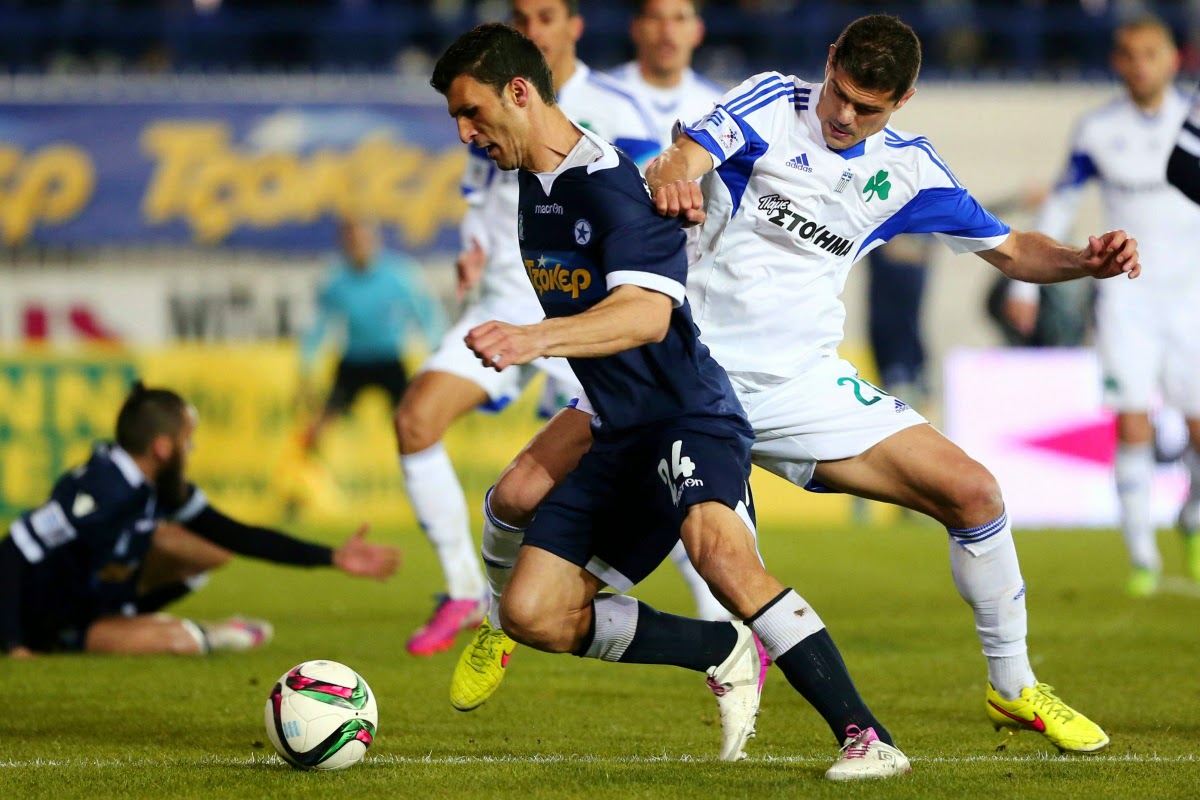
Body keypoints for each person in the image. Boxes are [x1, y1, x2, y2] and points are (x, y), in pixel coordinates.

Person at [454, 14, 1139, 755]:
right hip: (683, 373)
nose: (844, 116)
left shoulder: (910, 172)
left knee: (974, 493)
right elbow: (685, 154)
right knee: (519, 497)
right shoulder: (773, 102)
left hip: (797, 382)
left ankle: (1014, 687)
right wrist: (677, 175)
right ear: (829, 60)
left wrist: (1083, 261)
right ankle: (504, 619)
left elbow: (1011, 249)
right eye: (839, 92)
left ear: (902, 102)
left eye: (868, 108)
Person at [431, 23, 911, 780]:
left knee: (720, 555)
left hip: (689, 413)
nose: (465, 133)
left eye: (472, 112)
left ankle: (868, 738)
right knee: (533, 612)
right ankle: (718, 649)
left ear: (519, 93)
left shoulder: (608, 185)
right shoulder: (535, 183)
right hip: (618, 427)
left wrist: (531, 339)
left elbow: (648, 315)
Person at [391, 0, 662, 657]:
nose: (532, 28)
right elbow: (479, 196)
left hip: (583, 310)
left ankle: (734, 620)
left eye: (545, 15)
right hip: (505, 303)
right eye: (521, 16)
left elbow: (655, 200)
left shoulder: (619, 109)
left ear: (573, 25)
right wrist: (473, 247)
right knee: (416, 419)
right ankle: (464, 592)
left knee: (655, 460)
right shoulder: (485, 109)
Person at [0, 383, 400, 658]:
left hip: (98, 595)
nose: (191, 449)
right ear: (162, 447)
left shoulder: (157, 486)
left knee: (213, 546)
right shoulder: (101, 489)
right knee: (180, 642)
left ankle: (134, 620)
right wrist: (15, 644)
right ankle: (191, 632)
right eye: (187, 440)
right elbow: (13, 550)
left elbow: (238, 536)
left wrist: (330, 556)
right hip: (52, 619)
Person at [1019, 16, 1200, 597]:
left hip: (1191, 294)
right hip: (1128, 297)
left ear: (1173, 58)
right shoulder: (1098, 129)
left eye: (1150, 53)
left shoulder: (1194, 119)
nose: (1139, 64)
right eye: (1128, 54)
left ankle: (1193, 517)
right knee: (1132, 419)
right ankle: (1142, 557)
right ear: (1116, 62)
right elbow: (1063, 201)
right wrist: (1025, 286)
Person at [605, 0, 728, 620]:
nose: (667, 30)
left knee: (677, 463)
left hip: (693, 305)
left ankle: (725, 622)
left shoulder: (722, 107)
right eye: (656, 16)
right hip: (611, 296)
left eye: (680, 17)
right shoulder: (600, 99)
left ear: (697, 30)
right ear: (637, 27)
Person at [298, 216, 444, 454]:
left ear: (374, 240)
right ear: (344, 244)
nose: (358, 246)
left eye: (363, 239)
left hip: (389, 359)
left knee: (411, 421)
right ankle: (306, 469)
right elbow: (319, 324)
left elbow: (425, 313)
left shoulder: (398, 274)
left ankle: (421, 462)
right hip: (354, 360)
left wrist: (437, 350)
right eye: (352, 241)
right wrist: (307, 363)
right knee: (320, 423)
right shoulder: (336, 281)